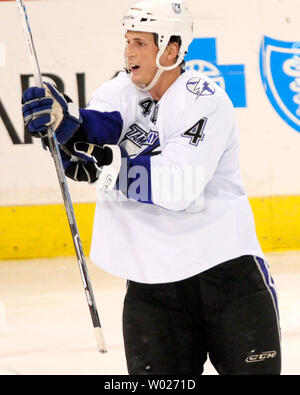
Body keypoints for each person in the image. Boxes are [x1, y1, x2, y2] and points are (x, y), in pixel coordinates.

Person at [21, 0, 281, 375]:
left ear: (170, 49)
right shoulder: (119, 92)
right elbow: (94, 129)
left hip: (228, 277)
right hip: (154, 290)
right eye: (128, 41)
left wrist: (105, 167)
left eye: (140, 42)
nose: (129, 52)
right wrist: (61, 125)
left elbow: (177, 187)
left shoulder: (205, 99)